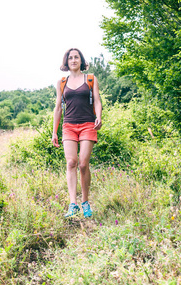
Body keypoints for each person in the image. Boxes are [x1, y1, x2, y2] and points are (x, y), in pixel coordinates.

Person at [51, 48, 102, 218]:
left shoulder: (91, 78)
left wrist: (99, 117)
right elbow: (58, 107)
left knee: (82, 164)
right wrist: (54, 132)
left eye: (76, 57)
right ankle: (73, 204)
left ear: (81, 60)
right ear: (66, 62)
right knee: (71, 162)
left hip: (88, 124)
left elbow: (97, 100)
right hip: (69, 126)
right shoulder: (61, 82)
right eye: (70, 58)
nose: (73, 60)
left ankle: (85, 202)